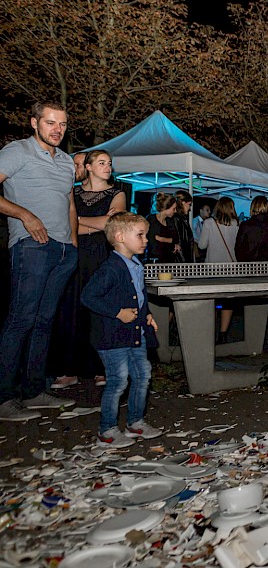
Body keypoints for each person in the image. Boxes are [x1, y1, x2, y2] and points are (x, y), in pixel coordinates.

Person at [0, 102, 79, 422]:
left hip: (62, 251)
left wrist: (72, 244)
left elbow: (70, 203)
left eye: (61, 123)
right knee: (22, 320)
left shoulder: (66, 161)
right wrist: (24, 214)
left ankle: (33, 391)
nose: (57, 129)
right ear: (34, 122)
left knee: (44, 323)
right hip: (31, 246)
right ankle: (4, 397)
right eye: (50, 122)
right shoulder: (17, 151)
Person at [81, 212, 162, 447]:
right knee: (117, 381)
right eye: (140, 235)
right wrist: (118, 312)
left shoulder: (136, 264)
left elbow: (139, 296)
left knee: (142, 376)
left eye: (145, 235)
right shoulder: (111, 268)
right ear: (120, 236)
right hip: (112, 336)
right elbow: (88, 296)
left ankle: (135, 423)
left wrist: (146, 315)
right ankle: (107, 430)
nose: (146, 240)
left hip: (135, 334)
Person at [50, 149, 126, 390]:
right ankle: (70, 369)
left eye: (110, 163)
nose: (108, 167)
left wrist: (79, 220)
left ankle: (100, 368)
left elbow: (112, 224)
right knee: (71, 309)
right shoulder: (73, 191)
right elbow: (62, 220)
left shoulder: (118, 193)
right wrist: (96, 223)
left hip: (102, 257)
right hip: (75, 252)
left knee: (100, 309)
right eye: (102, 162)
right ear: (89, 166)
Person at [198, 197, 239, 342]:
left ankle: (210, 331)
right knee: (228, 301)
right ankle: (223, 334)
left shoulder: (209, 223)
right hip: (231, 269)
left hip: (213, 268)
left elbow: (202, 245)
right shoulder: (236, 223)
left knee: (212, 300)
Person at [235, 196, 268, 262]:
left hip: (249, 268)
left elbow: (238, 249)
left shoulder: (245, 225)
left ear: (253, 207)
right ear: (267, 207)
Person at [146, 192, 179, 263]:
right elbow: (153, 245)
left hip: (169, 261)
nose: (175, 211)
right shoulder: (151, 220)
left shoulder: (170, 221)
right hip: (155, 262)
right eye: (174, 209)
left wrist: (162, 239)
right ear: (165, 208)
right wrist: (170, 242)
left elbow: (176, 239)